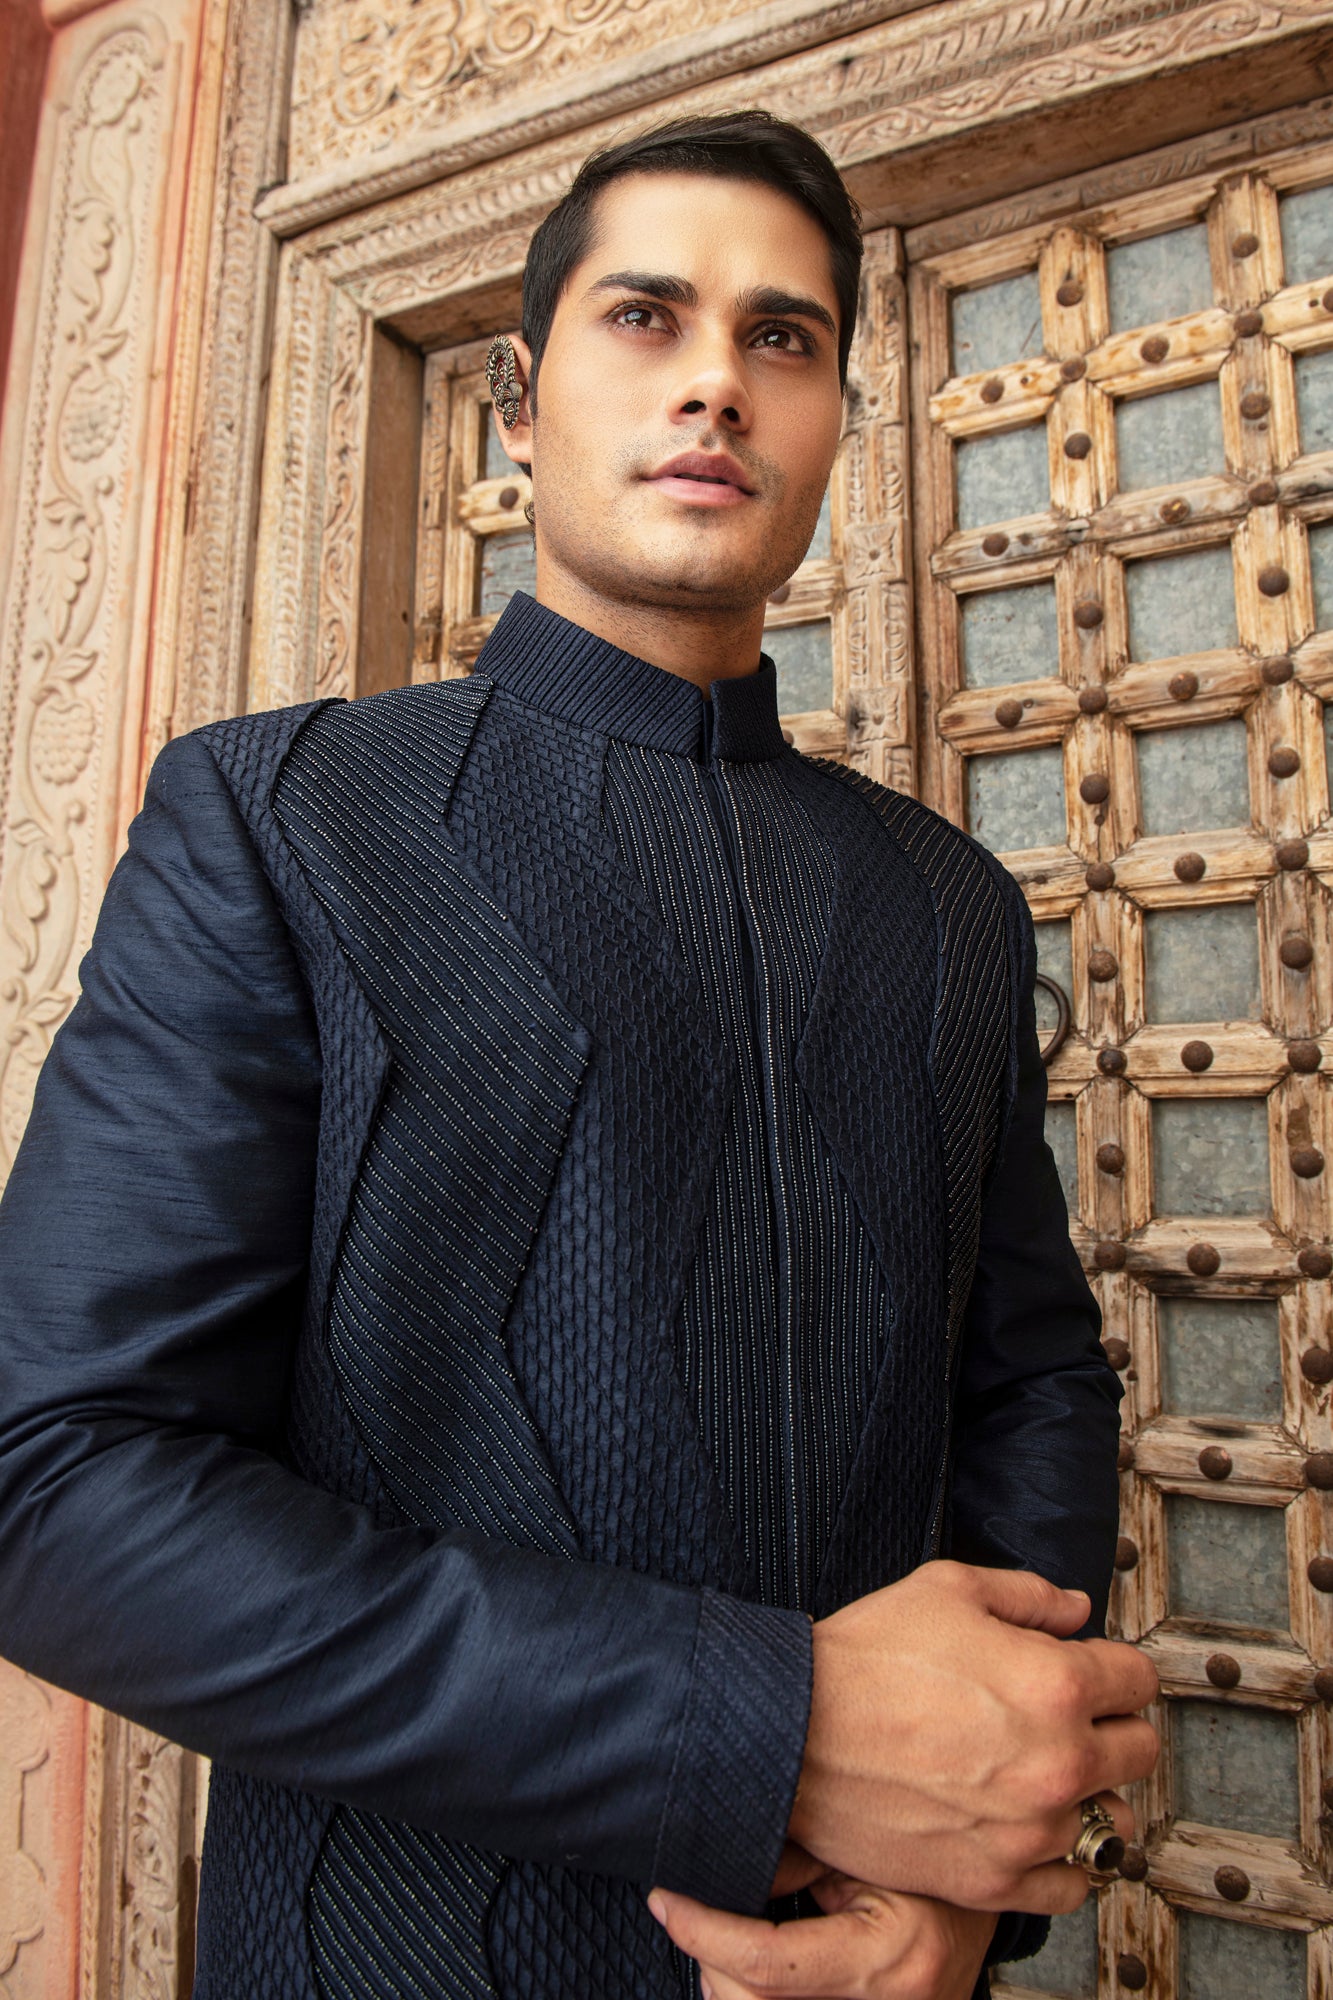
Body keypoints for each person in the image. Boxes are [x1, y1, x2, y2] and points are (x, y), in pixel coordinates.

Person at [0, 111, 1157, 2000]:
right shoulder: (286, 820)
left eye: (781, 338)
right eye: (646, 316)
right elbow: (58, 1484)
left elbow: (1027, 1389)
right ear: (520, 406)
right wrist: (766, 1735)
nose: (716, 380)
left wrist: (971, 1882)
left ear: (836, 424)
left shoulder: (944, 901)